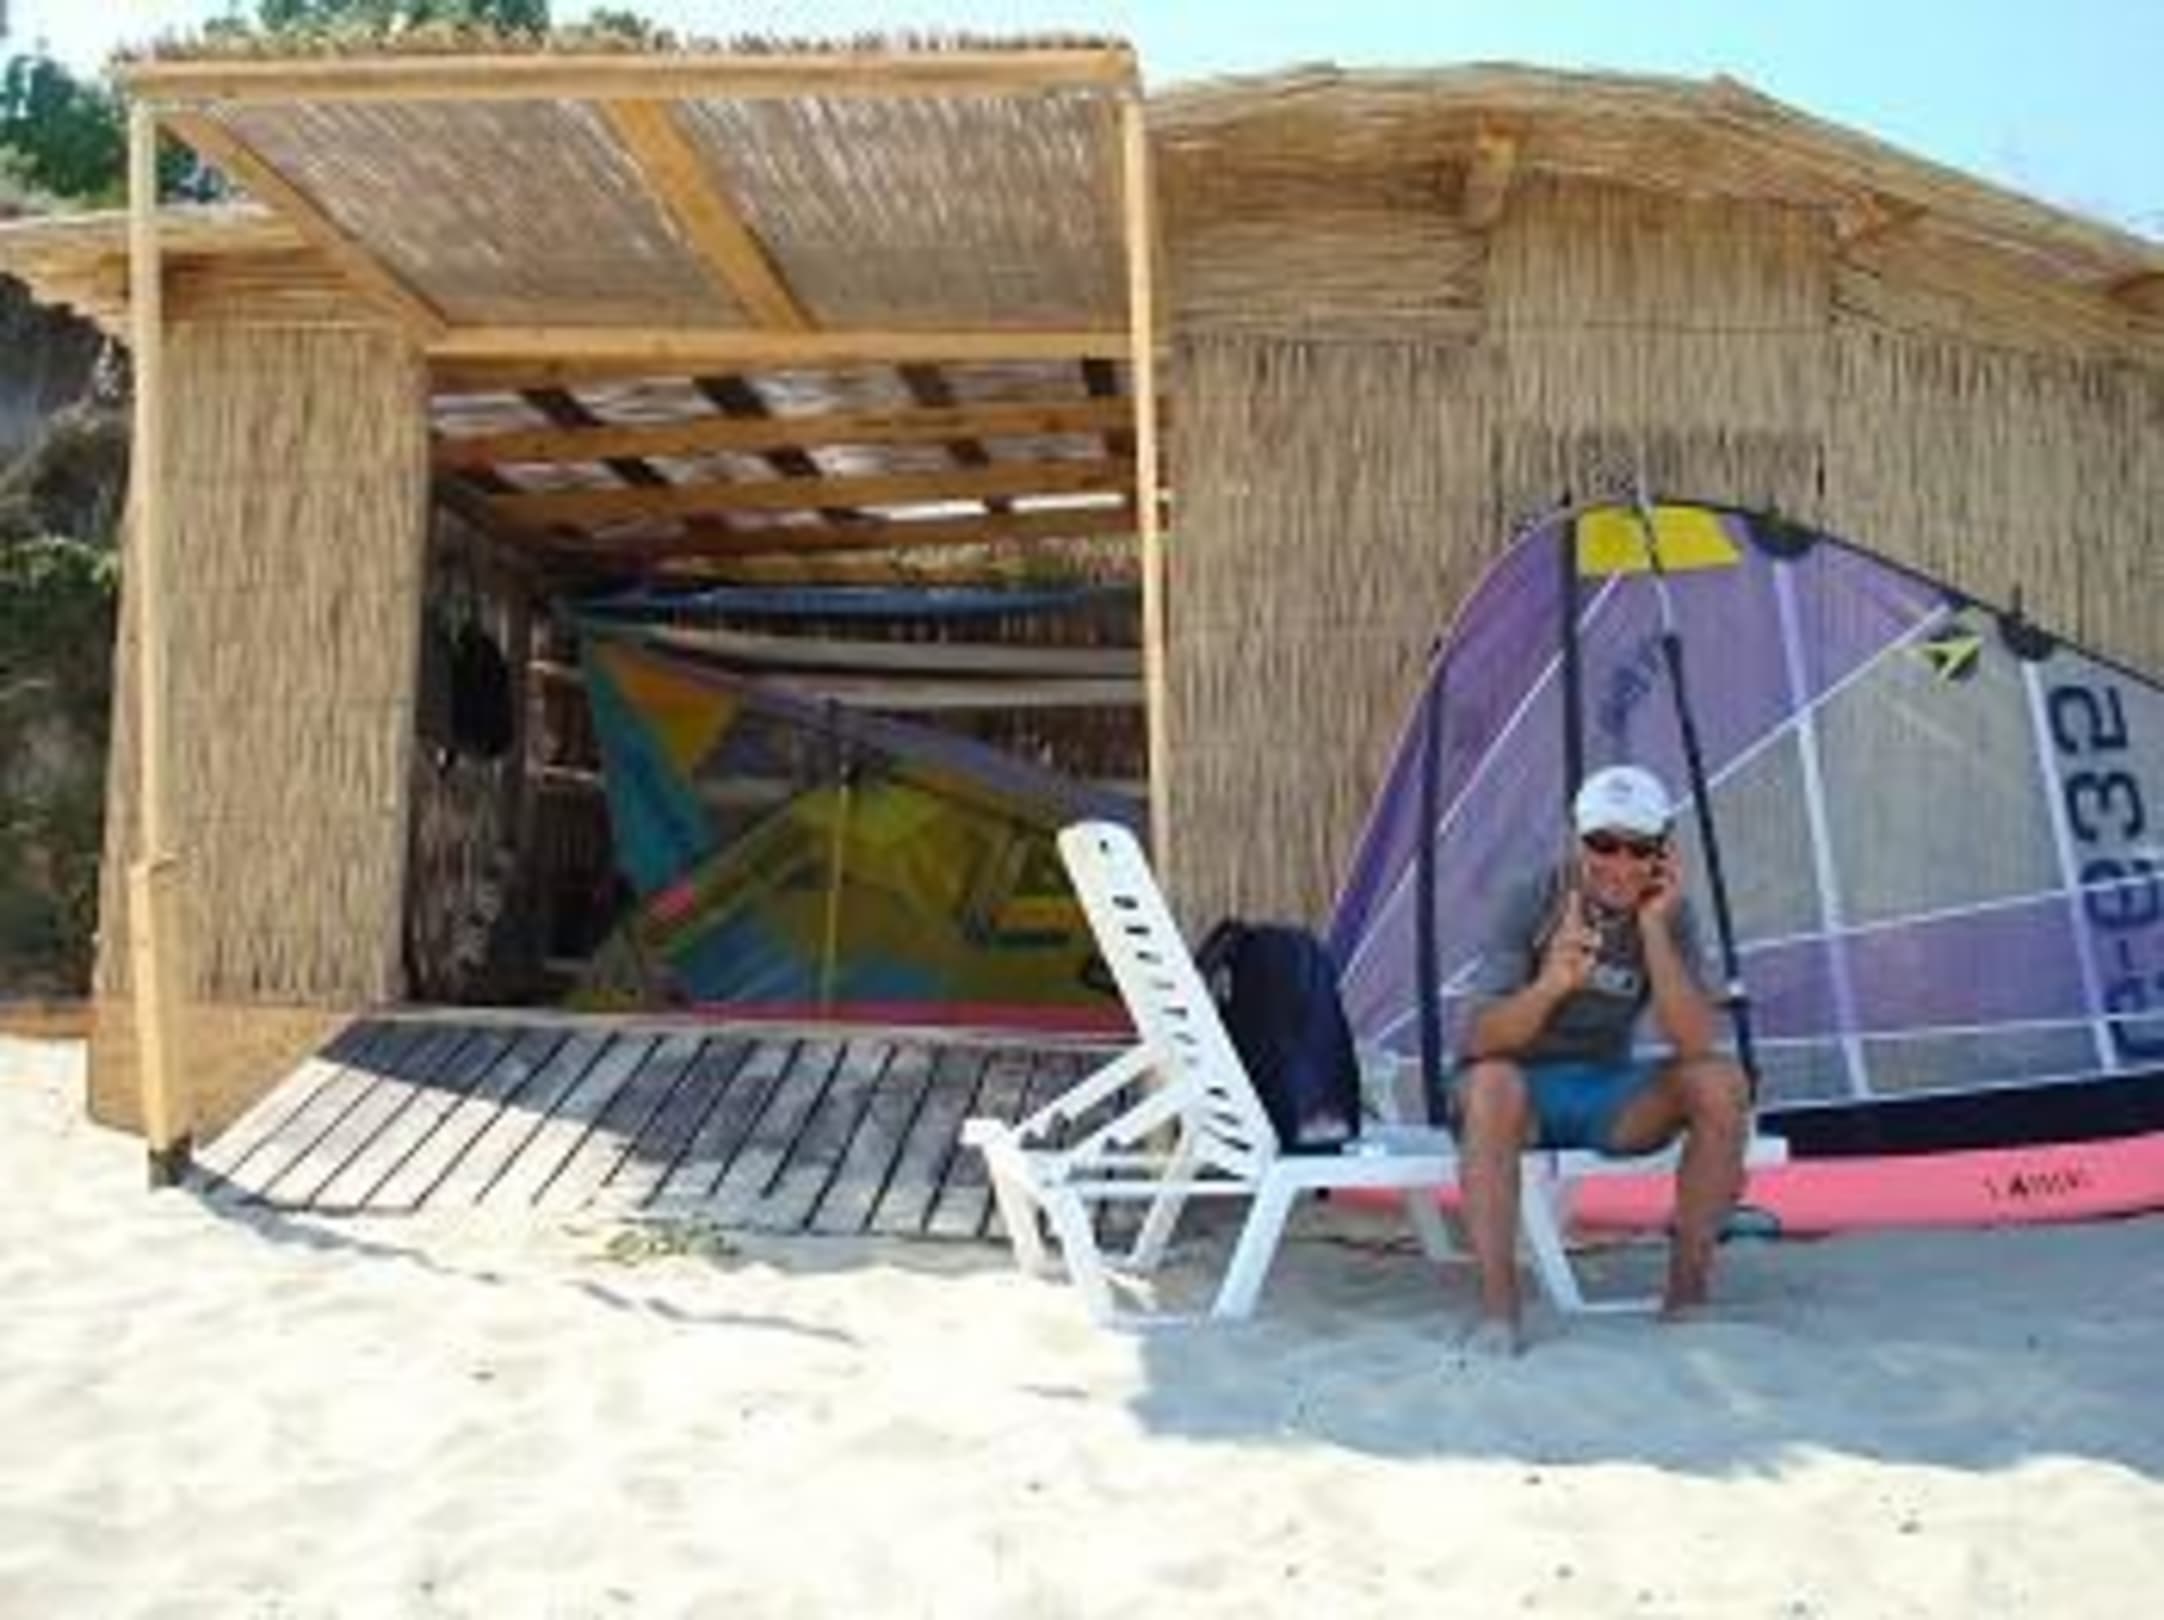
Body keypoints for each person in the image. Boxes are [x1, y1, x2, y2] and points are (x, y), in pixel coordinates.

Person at [1453, 764, 1750, 1353]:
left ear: (1662, 852)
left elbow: (1695, 1044)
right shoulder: (1532, 896)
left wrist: (1655, 930)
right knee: (1491, 1084)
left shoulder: (1671, 912)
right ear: (1577, 840)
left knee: (1721, 1083)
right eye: (1603, 843)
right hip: (1518, 1093)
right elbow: (1478, 1039)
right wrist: (1552, 984)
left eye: (1639, 848)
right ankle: (1499, 1312)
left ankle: (1686, 1298)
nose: (1620, 862)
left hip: (1606, 1094)